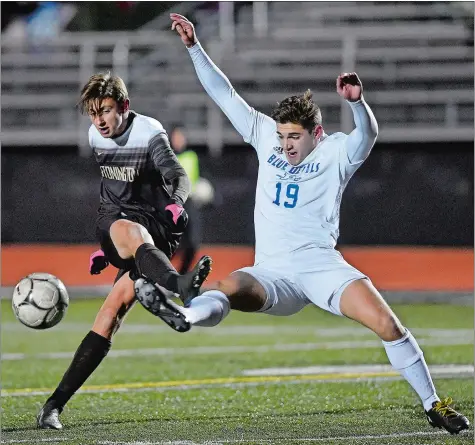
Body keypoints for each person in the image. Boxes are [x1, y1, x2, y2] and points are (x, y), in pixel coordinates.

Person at [153, 13, 468, 435]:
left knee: (388, 325)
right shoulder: (266, 137)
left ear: (315, 132)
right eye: (282, 136)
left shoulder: (336, 151)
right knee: (224, 289)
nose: (285, 144)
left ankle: (434, 405)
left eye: (294, 137)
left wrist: (357, 102)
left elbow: (368, 135)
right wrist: (194, 46)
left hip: (322, 267)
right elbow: (224, 94)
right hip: (272, 271)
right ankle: (182, 317)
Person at [37, 72, 212, 429]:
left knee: (110, 314)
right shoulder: (94, 135)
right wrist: (109, 247)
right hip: (118, 224)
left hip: (156, 229)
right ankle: (178, 286)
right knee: (128, 231)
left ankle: (52, 406)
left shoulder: (149, 131)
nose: (99, 120)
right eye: (92, 112)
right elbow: (110, 191)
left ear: (125, 106)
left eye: (105, 110)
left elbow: (178, 175)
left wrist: (178, 202)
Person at [170, 125, 203, 275]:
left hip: (188, 203)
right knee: (170, 245)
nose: (178, 140)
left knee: (192, 244)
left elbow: (195, 179)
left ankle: (181, 277)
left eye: (180, 136)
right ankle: (159, 276)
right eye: (176, 137)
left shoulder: (191, 156)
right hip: (171, 204)